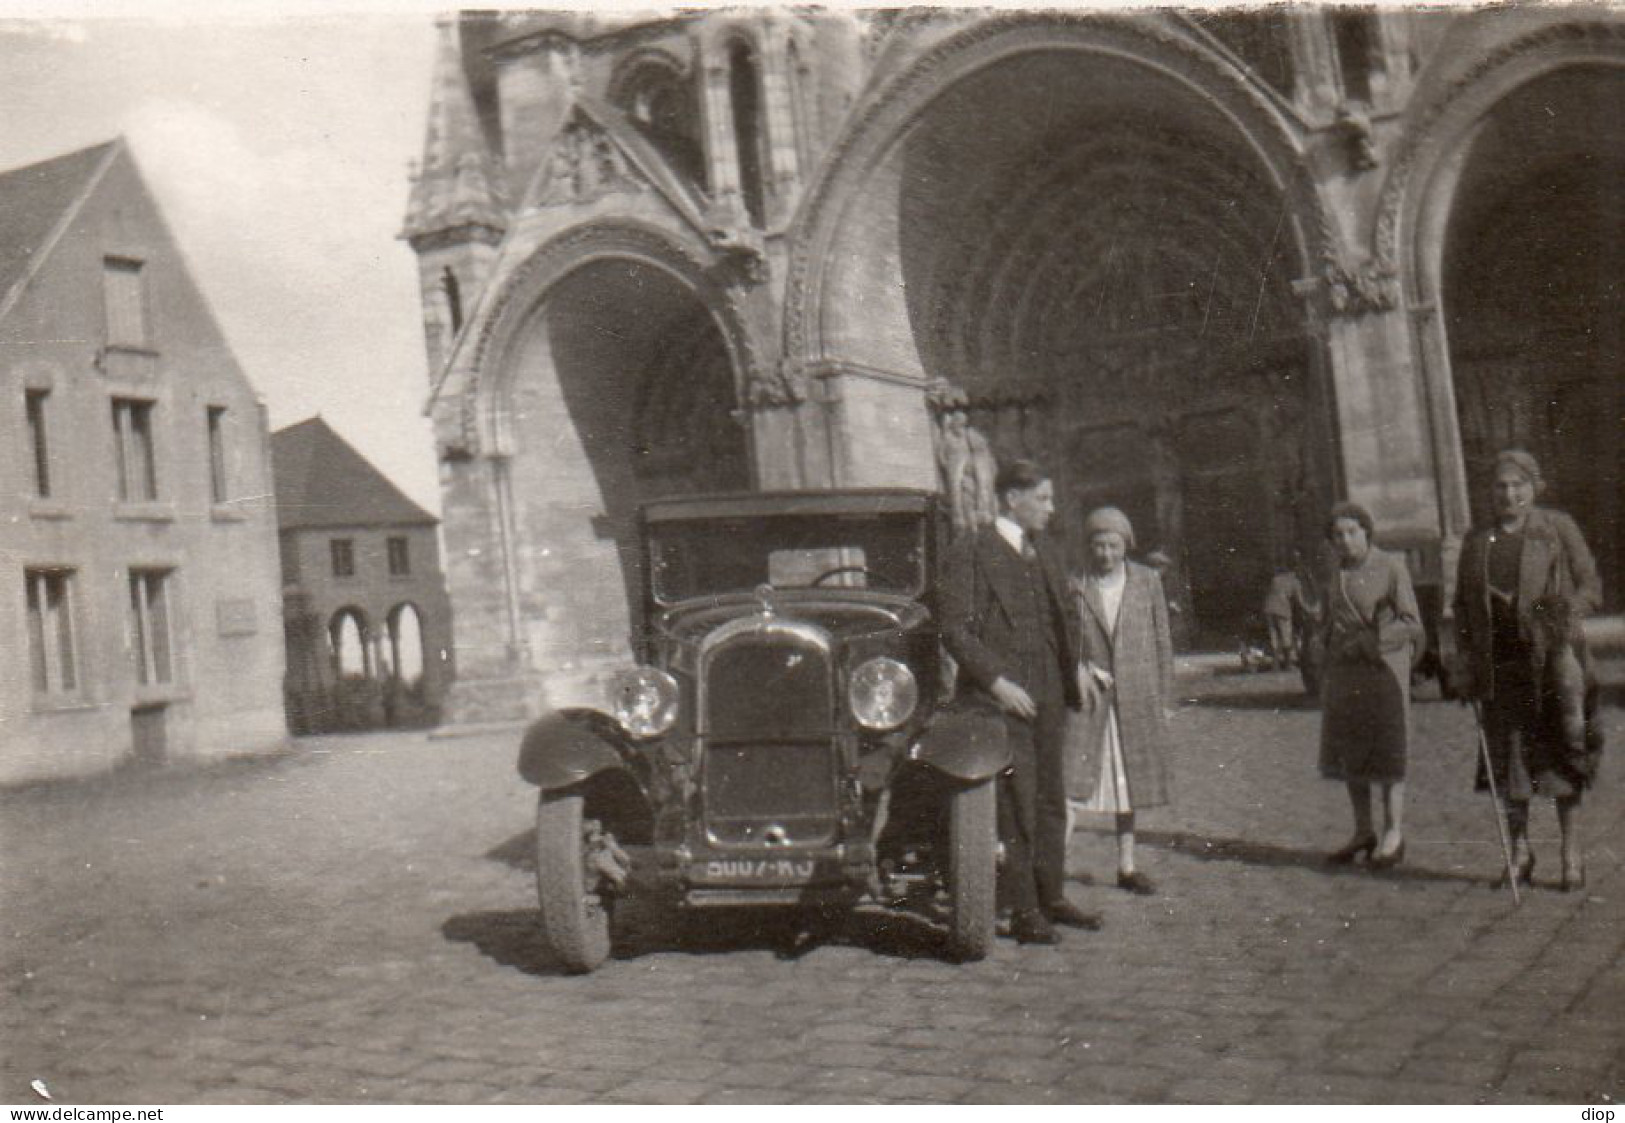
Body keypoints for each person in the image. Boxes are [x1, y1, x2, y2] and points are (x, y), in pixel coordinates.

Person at [941, 459, 1101, 943]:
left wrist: (1078, 664)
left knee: (1052, 796)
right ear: (1013, 498)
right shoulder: (972, 550)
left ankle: (1050, 895)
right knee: (1017, 803)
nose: (1052, 509)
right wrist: (996, 683)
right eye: (1044, 498)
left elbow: (1067, 616)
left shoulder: (1046, 551)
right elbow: (955, 628)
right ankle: (1024, 909)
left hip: (1050, 690)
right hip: (1003, 702)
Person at [1453, 449, 1603, 891]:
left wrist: (1560, 614)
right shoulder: (1477, 540)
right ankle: (1520, 851)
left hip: (1553, 663)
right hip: (1500, 668)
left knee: (1560, 755)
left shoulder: (1556, 529)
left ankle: (1570, 853)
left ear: (1534, 487)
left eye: (1518, 485)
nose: (1509, 494)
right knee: (1509, 763)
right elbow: (1462, 607)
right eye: (1500, 486)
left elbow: (1591, 586)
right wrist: (1464, 660)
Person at [1067, 507, 1177, 895]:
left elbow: (1162, 640)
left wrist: (1165, 698)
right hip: (1091, 699)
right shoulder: (1076, 585)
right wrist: (1082, 667)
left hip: (1136, 697)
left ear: (1126, 545)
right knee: (1073, 780)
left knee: (1128, 786)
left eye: (1113, 545)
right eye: (1098, 546)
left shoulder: (1147, 582)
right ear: (1088, 547)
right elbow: (1066, 641)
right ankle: (1052, 869)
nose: (1106, 554)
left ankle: (1127, 865)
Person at [1318, 502, 1424, 869]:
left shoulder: (1390, 567)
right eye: (1338, 535)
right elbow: (1328, 620)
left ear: (1366, 531)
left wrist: (1372, 640)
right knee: (1352, 751)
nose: (1345, 541)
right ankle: (1363, 831)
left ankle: (1394, 832)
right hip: (1346, 673)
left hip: (1383, 672)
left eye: (1352, 532)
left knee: (1388, 750)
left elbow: (1411, 624)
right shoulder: (1335, 574)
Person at [1263, 562, 1307, 669]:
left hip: (1268, 609)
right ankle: (1288, 664)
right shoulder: (1295, 582)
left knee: (1274, 636)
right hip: (1283, 610)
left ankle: (1275, 664)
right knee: (1286, 635)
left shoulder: (1275, 579)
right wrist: (1310, 609)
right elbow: (1300, 601)